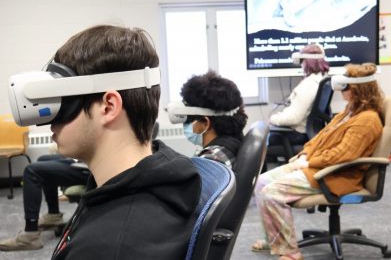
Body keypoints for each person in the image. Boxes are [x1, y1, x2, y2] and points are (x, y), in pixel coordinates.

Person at [8, 25, 202, 260]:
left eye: (63, 102)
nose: (50, 122)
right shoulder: (167, 170)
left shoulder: (107, 248)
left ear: (109, 107)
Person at [252, 62, 384, 260]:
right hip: (318, 166)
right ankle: (274, 240)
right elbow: (320, 137)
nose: (342, 92)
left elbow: (343, 155)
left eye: (346, 88)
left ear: (359, 90)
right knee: (261, 181)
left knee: (272, 193)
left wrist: (309, 162)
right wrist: (305, 153)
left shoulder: (367, 120)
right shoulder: (349, 112)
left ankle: (290, 252)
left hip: (335, 174)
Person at [0, 152, 89, 251]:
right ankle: (53, 215)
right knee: (42, 159)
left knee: (31, 171)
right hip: (85, 159)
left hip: (90, 167)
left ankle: (30, 235)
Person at [180, 70, 248, 169]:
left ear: (205, 123)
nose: (186, 124)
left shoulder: (210, 161)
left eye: (189, 119)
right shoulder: (235, 142)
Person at [268, 43, 329, 151]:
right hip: (308, 133)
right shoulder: (321, 80)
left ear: (306, 63)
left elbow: (294, 118)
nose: (301, 65)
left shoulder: (308, 85)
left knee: (263, 141)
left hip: (297, 135)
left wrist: (273, 119)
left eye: (302, 62)